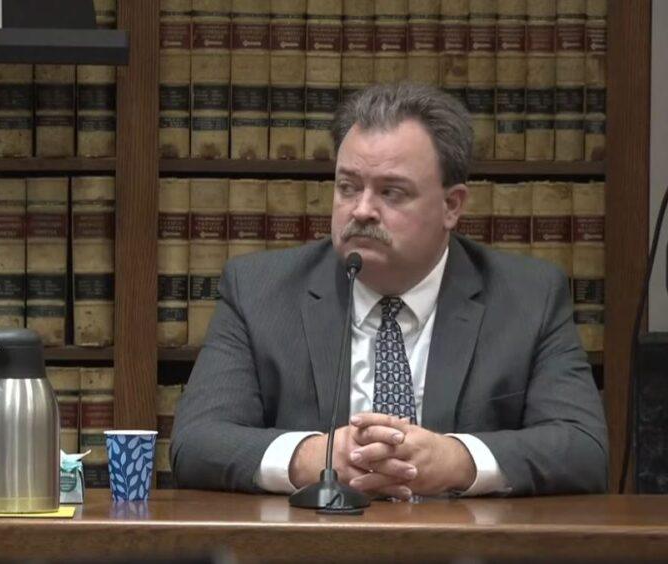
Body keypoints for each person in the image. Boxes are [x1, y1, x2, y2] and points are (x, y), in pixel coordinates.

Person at [170, 82, 608, 499]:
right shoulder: (260, 291)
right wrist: (314, 458)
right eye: (348, 187)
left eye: (391, 192)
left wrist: (456, 461)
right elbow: (196, 442)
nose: (361, 210)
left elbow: (584, 449)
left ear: (452, 206)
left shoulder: (528, 297)